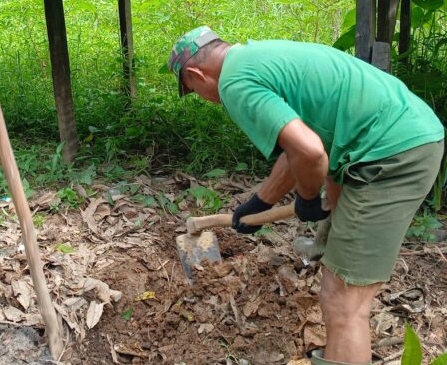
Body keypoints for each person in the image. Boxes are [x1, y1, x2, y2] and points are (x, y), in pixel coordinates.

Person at [168, 27, 444, 365]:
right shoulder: (258, 55)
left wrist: (308, 198)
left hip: (391, 156)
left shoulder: (234, 83)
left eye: (192, 89)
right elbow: (297, 145)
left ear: (196, 74)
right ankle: (328, 256)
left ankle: (343, 340)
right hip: (396, 133)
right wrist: (261, 202)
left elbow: (312, 154)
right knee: (339, 273)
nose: (200, 96)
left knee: (343, 303)